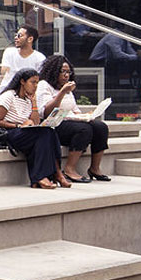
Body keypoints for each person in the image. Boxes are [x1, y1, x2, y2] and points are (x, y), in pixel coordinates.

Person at [0, 70, 68, 189]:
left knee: (49, 131)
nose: (35, 86)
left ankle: (54, 173)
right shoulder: (8, 96)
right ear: (22, 82)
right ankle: (49, 175)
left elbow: (35, 122)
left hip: (22, 131)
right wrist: (19, 126)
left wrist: (34, 102)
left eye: (37, 83)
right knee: (43, 134)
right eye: (33, 82)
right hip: (5, 132)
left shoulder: (28, 99)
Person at [36, 54, 110, 183]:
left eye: (68, 72)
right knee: (84, 129)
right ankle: (69, 169)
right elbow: (46, 112)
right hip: (53, 124)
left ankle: (94, 168)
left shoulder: (67, 88)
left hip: (69, 121)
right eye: (63, 71)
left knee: (100, 127)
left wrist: (87, 116)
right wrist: (62, 92)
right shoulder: (44, 85)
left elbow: (75, 109)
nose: (66, 75)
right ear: (53, 71)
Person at [0, 25, 46, 94]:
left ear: (30, 39)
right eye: (15, 35)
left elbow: (39, 79)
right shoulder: (9, 52)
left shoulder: (40, 58)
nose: (16, 38)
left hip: (29, 93)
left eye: (19, 36)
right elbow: (3, 73)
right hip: (8, 90)